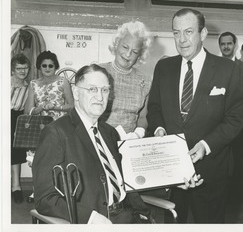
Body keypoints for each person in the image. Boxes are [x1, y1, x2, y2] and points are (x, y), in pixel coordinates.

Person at [32, 64, 202, 223]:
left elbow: (129, 180)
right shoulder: (56, 133)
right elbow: (45, 199)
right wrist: (90, 219)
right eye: (92, 89)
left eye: (105, 90)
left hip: (129, 215)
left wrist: (176, 179)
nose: (99, 97)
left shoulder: (109, 132)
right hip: (96, 220)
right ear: (76, 93)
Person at [147, 8, 243, 223]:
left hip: (211, 170)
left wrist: (206, 145)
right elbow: (154, 108)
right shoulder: (164, 67)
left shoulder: (227, 70)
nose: (182, 40)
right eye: (176, 33)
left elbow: (236, 118)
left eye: (188, 32)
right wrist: (159, 129)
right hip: (171, 171)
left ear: (203, 34)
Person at [24, 50, 74, 202]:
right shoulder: (33, 84)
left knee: (58, 158)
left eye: (50, 65)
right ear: (39, 67)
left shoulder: (62, 82)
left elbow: (72, 106)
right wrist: (36, 110)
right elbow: (28, 110)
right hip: (39, 127)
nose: (47, 68)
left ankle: (58, 191)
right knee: (37, 160)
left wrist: (56, 107)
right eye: (44, 65)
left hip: (59, 126)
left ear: (55, 66)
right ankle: (37, 190)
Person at [218, 31, 243, 218]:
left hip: (241, 127)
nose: (226, 46)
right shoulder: (213, 65)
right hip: (219, 126)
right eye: (223, 44)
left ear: (235, 45)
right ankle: (226, 207)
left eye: (229, 43)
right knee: (224, 168)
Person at [100, 21, 152, 139]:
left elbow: (143, 117)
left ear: (140, 55)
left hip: (129, 143)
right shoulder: (98, 71)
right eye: (125, 47)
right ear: (117, 43)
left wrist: (138, 134)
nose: (128, 54)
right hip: (99, 139)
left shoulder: (145, 81)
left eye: (134, 52)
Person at [11, 54, 31, 203]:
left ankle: (16, 187)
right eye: (19, 68)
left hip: (17, 118)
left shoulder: (29, 87)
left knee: (15, 152)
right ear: (13, 69)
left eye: (25, 68)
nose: (22, 71)